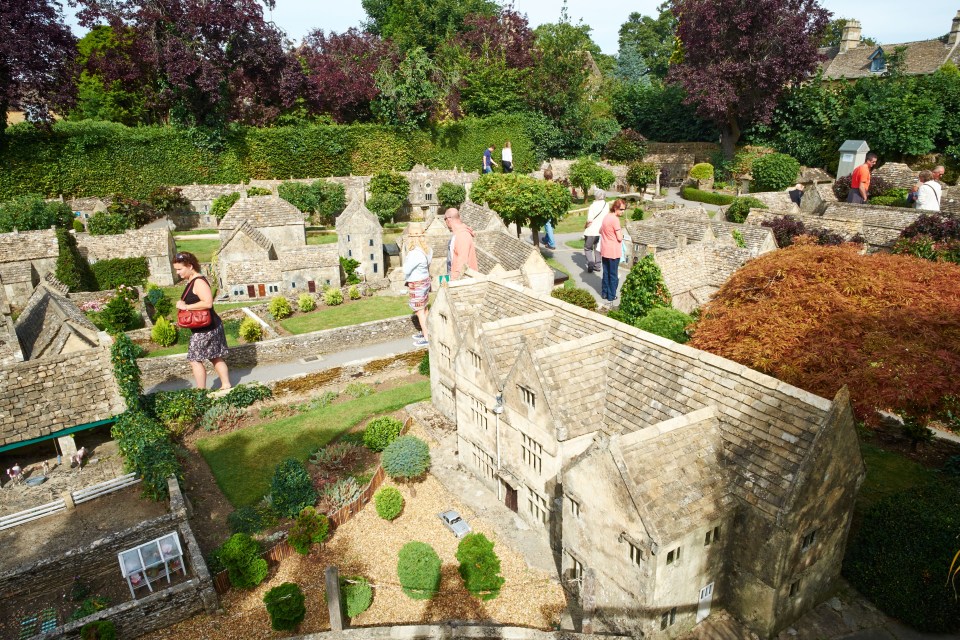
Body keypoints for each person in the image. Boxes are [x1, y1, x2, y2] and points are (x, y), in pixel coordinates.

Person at [173, 251, 231, 391]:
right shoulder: (193, 281)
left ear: (190, 266)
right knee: (214, 356)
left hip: (207, 327)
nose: (178, 273)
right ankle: (226, 384)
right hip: (209, 325)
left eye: (180, 269)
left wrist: (186, 306)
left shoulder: (198, 281)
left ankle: (201, 390)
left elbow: (208, 303)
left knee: (194, 359)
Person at [403, 223, 432, 348]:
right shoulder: (428, 250)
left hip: (417, 284)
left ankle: (427, 338)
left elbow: (406, 270)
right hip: (425, 281)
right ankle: (428, 332)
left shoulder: (415, 253)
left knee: (420, 312)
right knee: (425, 309)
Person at [600, 199, 625, 302]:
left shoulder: (606, 217)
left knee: (606, 273)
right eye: (621, 209)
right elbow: (619, 238)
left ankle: (604, 293)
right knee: (613, 275)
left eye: (624, 209)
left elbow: (600, 231)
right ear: (615, 208)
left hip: (605, 249)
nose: (623, 211)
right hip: (613, 251)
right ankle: (611, 296)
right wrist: (622, 235)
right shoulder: (615, 219)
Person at [444, 208, 477, 280]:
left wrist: (454, 279)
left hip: (463, 280)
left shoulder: (462, 235)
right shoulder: (458, 233)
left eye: (444, 219)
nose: (445, 222)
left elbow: (462, 262)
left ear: (448, 219)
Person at [583, 189, 608, 273]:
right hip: (601, 231)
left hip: (592, 231)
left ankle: (590, 263)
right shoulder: (606, 205)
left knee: (588, 248)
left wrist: (585, 226)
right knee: (598, 249)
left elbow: (589, 220)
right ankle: (597, 266)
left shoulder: (592, 206)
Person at [541, 167, 557, 249]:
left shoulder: (545, 185)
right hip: (555, 207)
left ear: (544, 177)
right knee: (551, 223)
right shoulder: (555, 184)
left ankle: (551, 244)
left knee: (547, 224)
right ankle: (546, 238)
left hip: (548, 207)